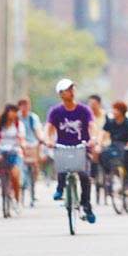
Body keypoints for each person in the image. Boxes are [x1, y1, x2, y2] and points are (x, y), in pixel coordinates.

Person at [46, 78, 97, 223]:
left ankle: (86, 206)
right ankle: (60, 188)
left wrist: (93, 138)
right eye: (68, 90)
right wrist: (48, 140)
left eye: (72, 88)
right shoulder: (56, 111)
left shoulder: (83, 110)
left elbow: (91, 125)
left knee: (84, 176)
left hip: (81, 146)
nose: (71, 92)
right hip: (63, 146)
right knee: (62, 164)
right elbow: (48, 128)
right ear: (61, 94)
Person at [102, 101, 128, 205]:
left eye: (116, 109)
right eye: (113, 109)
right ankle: (109, 177)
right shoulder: (110, 122)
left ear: (121, 111)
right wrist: (99, 144)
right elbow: (103, 135)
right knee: (104, 155)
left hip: (127, 147)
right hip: (114, 147)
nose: (113, 111)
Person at [0, 103, 26, 208]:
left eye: (15, 112)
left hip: (15, 151)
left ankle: (17, 198)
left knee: (15, 175)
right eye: (12, 111)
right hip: (2, 151)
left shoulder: (18, 125)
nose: (13, 114)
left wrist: (22, 144)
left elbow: (22, 138)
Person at [19, 97, 44, 198]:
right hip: (20, 144)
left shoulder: (33, 118)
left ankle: (33, 186)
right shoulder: (16, 118)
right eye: (23, 105)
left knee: (35, 164)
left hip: (32, 143)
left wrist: (41, 139)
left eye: (27, 105)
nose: (25, 107)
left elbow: (38, 130)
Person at [87, 94, 107, 189]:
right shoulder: (87, 116)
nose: (92, 106)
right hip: (92, 142)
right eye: (90, 104)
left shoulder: (106, 116)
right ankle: (92, 174)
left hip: (105, 142)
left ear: (99, 104)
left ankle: (94, 174)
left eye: (94, 104)